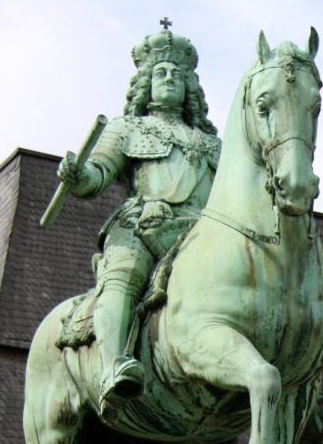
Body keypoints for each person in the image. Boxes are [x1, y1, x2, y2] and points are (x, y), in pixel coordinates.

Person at [57, 22, 220, 410]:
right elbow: (96, 176)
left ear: (190, 88)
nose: (169, 79)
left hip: (202, 234)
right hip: (144, 226)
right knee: (123, 277)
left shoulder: (214, 145)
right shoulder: (127, 128)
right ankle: (114, 365)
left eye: (178, 75)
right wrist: (78, 175)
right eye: (161, 73)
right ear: (146, 83)